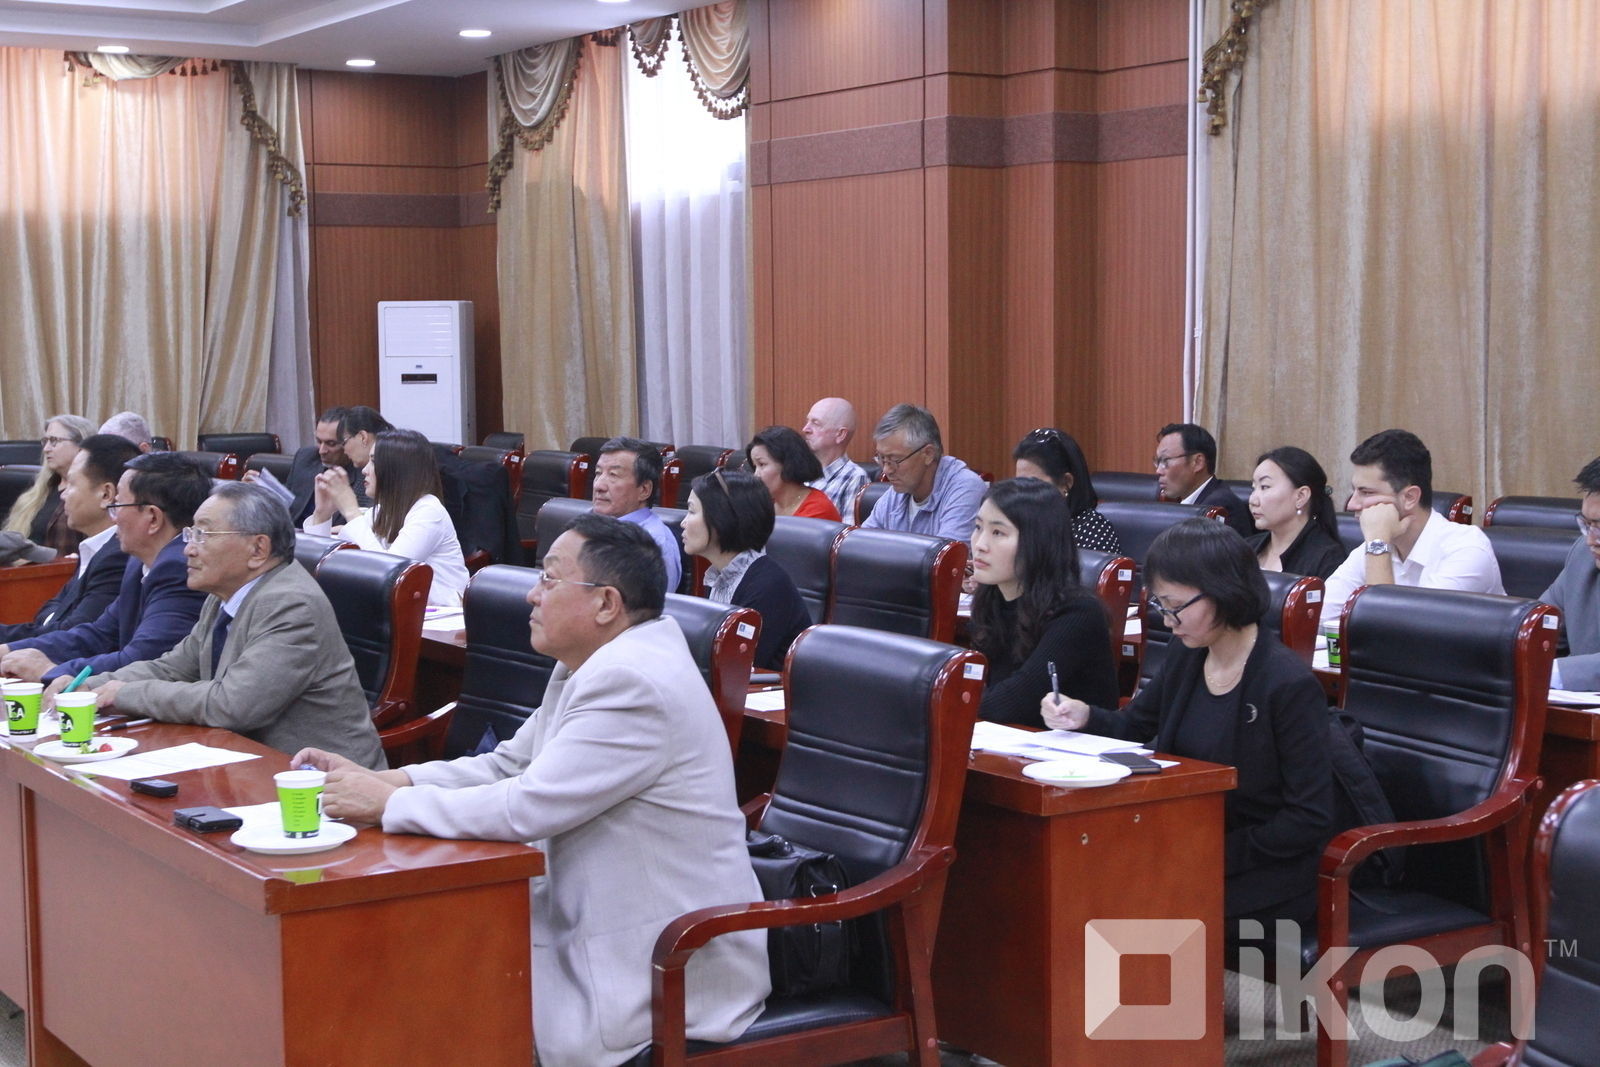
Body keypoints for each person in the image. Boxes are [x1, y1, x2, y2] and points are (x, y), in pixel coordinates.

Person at [297, 515, 769, 1066]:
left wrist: (389, 805)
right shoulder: (592, 663)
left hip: (664, 958)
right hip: (592, 924)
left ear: (606, 603)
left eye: (549, 578)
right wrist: (387, 780)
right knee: (415, 978)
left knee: (431, 995)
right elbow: (509, 765)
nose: (531, 594)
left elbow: (527, 806)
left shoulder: (633, 682)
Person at [1041, 518, 1333, 924]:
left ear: (1224, 592)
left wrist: (1210, 851)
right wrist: (1083, 715)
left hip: (1264, 864)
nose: (1167, 621)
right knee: (1079, 877)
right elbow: (1133, 728)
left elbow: (1309, 818)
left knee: (1134, 902)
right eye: (1161, 607)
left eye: (1175, 607)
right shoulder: (1188, 654)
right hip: (1187, 840)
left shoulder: (1286, 684)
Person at [84, 483, 385, 767]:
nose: (188, 549)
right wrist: (89, 687)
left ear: (258, 549)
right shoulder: (225, 594)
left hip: (319, 781)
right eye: (191, 534)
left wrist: (126, 694)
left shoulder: (291, 604)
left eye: (204, 535)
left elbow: (232, 705)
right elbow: (173, 668)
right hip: (246, 762)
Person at [0, 452, 210, 685]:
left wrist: (51, 671)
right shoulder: (139, 562)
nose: (113, 518)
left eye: (117, 505)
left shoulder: (179, 568)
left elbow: (142, 661)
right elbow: (98, 634)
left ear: (152, 518)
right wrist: (10, 650)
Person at [969, 478, 1118, 726]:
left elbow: (1013, 702)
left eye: (998, 533)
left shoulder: (1078, 613)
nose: (980, 544)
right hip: (1008, 740)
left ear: (1038, 542)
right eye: (977, 527)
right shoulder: (992, 598)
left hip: (1068, 747)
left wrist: (949, 700)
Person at [1321, 428, 1503, 624]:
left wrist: (1378, 544)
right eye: (1354, 491)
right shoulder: (1372, 546)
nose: (1351, 504)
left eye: (1366, 493)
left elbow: (1392, 631)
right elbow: (1320, 616)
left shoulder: (1467, 550)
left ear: (1409, 497)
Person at [303, 428, 469, 607]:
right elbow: (324, 561)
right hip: (397, 611)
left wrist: (351, 512)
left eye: (373, 462)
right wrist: (322, 514)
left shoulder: (429, 511)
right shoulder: (383, 510)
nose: (365, 470)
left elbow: (390, 573)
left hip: (444, 616)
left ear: (397, 470)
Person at [0, 435, 140, 642]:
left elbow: (71, 634)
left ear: (106, 494)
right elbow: (49, 611)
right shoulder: (94, 548)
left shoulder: (118, 556)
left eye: (72, 483)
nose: (63, 494)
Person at [683, 469, 811, 671]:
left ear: (722, 518)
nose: (683, 523)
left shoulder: (768, 586)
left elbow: (737, 666)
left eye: (691, 511)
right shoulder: (718, 575)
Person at [860, 404, 985, 543]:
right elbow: (861, 544)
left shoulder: (966, 487)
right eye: (881, 458)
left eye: (894, 459)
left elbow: (945, 554)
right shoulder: (896, 494)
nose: (886, 470)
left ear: (928, 454)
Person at [590, 435, 682, 594]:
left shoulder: (654, 543)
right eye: (598, 473)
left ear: (644, 490)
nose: (598, 485)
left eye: (613, 475)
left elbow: (651, 607)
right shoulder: (587, 525)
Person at [1011, 426, 1122, 554]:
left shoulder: (1094, 532)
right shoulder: (1021, 525)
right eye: (1020, 483)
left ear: (1066, 483)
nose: (1023, 493)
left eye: (1033, 484)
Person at [1540, 457, 1600, 690]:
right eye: (1587, 524)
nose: (1591, 539)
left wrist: (1549, 673)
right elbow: (1537, 626)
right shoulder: (1583, 557)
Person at [1245, 446, 1346, 579]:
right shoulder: (1245, 548)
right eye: (1254, 488)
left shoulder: (1327, 558)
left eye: (1265, 487)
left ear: (1300, 496)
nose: (1253, 500)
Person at [2, 414, 94, 556]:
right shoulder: (40, 491)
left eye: (54, 441)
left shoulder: (91, 495)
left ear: (81, 445)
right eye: (45, 441)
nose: (46, 449)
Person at [1153, 422, 1255, 538]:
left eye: (1165, 461)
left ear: (1197, 462)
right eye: (1158, 462)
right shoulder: (1188, 501)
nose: (1158, 471)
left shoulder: (1219, 507)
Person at [269, 405, 368, 524]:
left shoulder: (364, 474)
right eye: (319, 441)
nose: (322, 450)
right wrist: (261, 492)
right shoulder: (305, 457)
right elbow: (287, 500)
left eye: (331, 444)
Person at [746, 425, 841, 521]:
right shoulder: (762, 504)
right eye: (755, 467)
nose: (756, 475)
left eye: (762, 464)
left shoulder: (818, 510)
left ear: (787, 464)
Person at [801, 396, 869, 517]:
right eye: (807, 421)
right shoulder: (799, 471)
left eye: (816, 423)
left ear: (840, 434)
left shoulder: (854, 477)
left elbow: (848, 528)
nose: (805, 429)